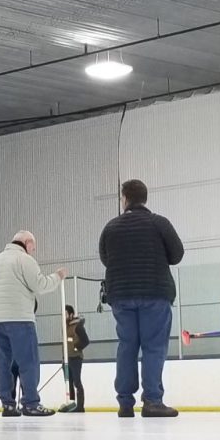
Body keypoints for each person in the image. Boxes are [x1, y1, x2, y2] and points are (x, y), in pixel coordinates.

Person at [99, 179, 184, 418]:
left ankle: (125, 403)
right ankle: (153, 401)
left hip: (122, 295)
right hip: (155, 292)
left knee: (127, 346)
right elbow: (176, 254)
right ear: (144, 198)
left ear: (124, 198)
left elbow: (105, 258)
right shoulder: (159, 223)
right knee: (153, 347)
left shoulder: (111, 227)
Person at [0, 230, 67, 417]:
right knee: (28, 362)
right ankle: (30, 403)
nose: (32, 252)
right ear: (27, 243)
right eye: (33, 248)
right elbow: (40, 285)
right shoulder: (24, 260)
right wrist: (57, 277)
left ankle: (8, 405)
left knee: (3, 364)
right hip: (20, 319)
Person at [61, 305, 90, 412]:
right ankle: (71, 403)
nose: (64, 316)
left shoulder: (77, 326)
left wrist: (76, 347)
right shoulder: (65, 326)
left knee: (77, 382)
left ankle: (80, 406)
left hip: (75, 358)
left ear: (71, 314)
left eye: (66, 314)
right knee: (68, 383)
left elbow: (86, 341)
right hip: (66, 358)